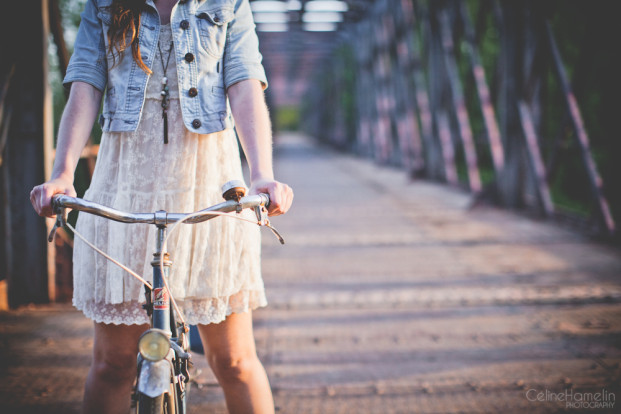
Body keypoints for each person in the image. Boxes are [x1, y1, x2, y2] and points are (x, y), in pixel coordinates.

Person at [30, 0, 293, 412]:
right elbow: (85, 84)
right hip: (126, 185)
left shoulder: (229, 3)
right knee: (112, 365)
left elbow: (244, 84)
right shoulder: (103, 4)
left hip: (209, 186)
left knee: (235, 362)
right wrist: (62, 172)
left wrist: (261, 174)